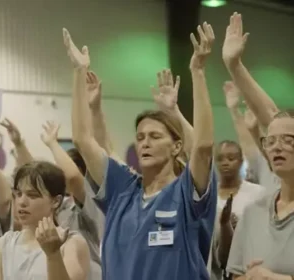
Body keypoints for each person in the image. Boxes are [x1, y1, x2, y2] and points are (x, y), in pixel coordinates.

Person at [64, 20, 217, 280]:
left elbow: (202, 147)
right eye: (140, 137)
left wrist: (198, 72)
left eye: (155, 136)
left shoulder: (186, 193)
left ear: (176, 146)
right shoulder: (122, 189)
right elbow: (82, 139)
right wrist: (79, 72)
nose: (145, 142)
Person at [224, 13, 294, 279]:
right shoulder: (254, 212)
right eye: (271, 141)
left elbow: (270, 113)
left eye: (288, 141)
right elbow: (236, 274)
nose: (277, 147)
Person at [0, 161, 90, 280]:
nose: (22, 202)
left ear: (56, 201)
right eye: (18, 194)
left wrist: (53, 254)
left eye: (32, 195)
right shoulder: (5, 243)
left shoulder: (71, 242)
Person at [41, 120, 103, 279]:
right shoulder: (59, 205)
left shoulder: (91, 202)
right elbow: (35, 185)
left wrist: (52, 144)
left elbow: (73, 177)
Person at [210, 140, 264, 280]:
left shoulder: (258, 194)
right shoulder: (208, 196)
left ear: (241, 161)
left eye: (231, 158)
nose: (225, 163)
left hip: (247, 267)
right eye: (220, 159)